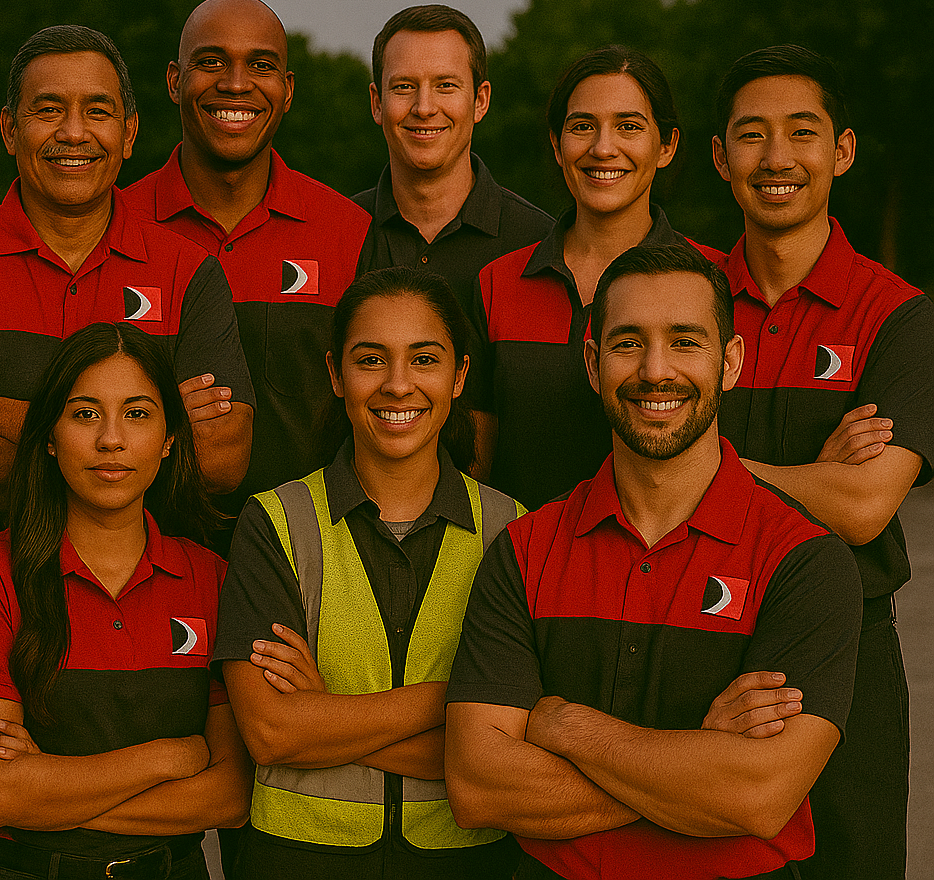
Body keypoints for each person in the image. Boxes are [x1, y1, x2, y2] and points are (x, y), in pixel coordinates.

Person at [0, 24, 255, 878]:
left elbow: (223, 455)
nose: (74, 133)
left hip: (151, 581)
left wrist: (7, 412)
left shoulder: (186, 269)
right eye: (47, 111)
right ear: (8, 128)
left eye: (97, 111)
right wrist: (142, 417)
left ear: (132, 133)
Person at [445, 244, 863, 880]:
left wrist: (565, 725)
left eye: (686, 341)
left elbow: (757, 796)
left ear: (731, 363)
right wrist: (695, 763)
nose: (655, 370)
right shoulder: (526, 549)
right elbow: (480, 787)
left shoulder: (805, 561)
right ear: (592, 362)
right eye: (628, 342)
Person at [214, 267, 525, 878]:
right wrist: (453, 703)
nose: (398, 385)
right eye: (371, 360)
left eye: (425, 359)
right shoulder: (274, 521)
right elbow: (274, 734)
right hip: (297, 861)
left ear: (460, 377)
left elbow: (516, 753)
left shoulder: (513, 530)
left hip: (465, 863)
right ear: (335, 374)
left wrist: (326, 715)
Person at [710, 44, 934, 880]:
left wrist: (712, 461)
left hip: (849, 655)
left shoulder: (900, 317)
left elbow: (868, 507)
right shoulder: (682, 297)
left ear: (840, 150)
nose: (776, 160)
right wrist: (816, 473)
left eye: (800, 134)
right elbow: (635, 474)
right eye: (751, 135)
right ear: (718, 155)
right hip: (701, 635)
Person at [0, 321, 253, 880]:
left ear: (171, 438)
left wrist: (49, 790)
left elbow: (228, 796)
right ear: (50, 436)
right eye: (85, 414)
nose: (111, 440)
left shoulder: (211, 579)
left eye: (138, 413)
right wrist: (168, 758)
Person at [125, 0, 372, 522]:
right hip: (146, 554)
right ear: (174, 81)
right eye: (211, 62)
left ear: (287, 91)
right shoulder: (116, 225)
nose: (236, 84)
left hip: (308, 561)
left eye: (261, 66)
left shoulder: (349, 232)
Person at [474, 46, 711, 508]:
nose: (604, 148)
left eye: (629, 126)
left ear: (666, 146)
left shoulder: (711, 278)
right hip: (524, 566)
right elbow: (477, 467)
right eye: (582, 126)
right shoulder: (496, 283)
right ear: (556, 145)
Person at [353, 4, 552, 323]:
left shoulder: (541, 245)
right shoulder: (337, 238)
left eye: (446, 85)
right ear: (377, 103)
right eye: (404, 86)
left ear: (480, 101)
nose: (424, 107)